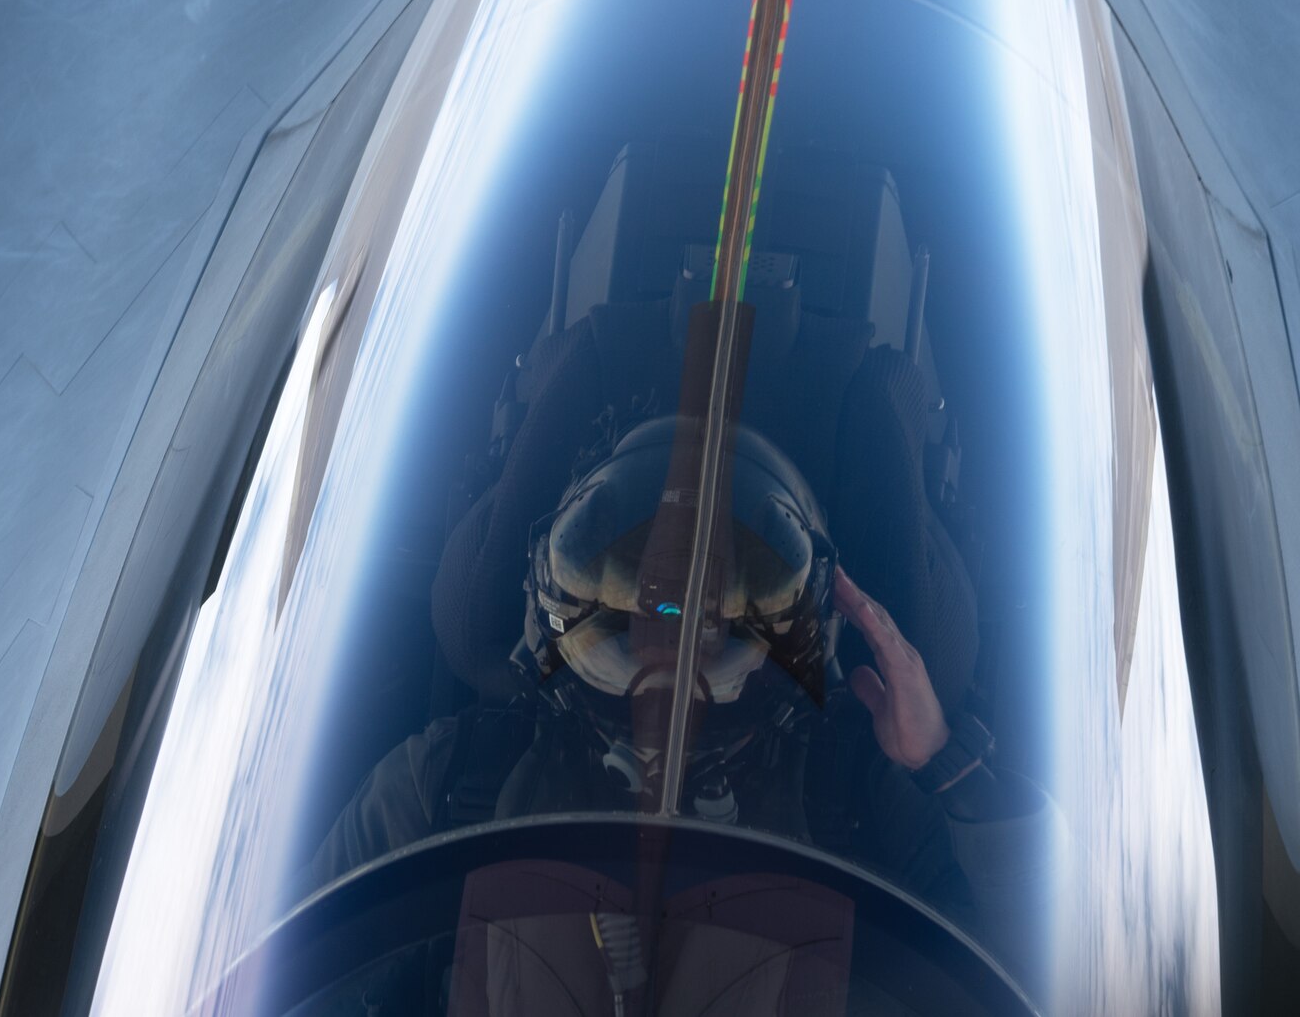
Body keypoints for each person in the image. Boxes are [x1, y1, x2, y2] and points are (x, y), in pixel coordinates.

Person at [307, 306, 1054, 993]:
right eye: (650, 597)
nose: (675, 635)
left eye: (713, 610)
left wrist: (949, 766)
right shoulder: (457, 780)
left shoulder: (855, 798)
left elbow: (1058, 974)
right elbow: (296, 974)